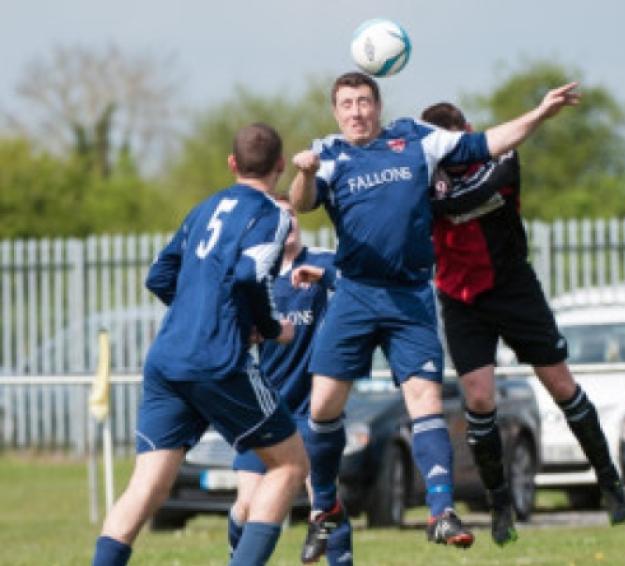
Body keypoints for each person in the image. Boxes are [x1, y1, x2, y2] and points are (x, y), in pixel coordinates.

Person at [289, 70, 579, 561]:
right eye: (347, 104)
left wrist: (539, 114)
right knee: (321, 409)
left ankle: (441, 512)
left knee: (424, 403)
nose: (357, 112)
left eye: (364, 102)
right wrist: (303, 170)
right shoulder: (330, 155)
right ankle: (325, 511)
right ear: (336, 112)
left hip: (409, 299)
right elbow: (302, 202)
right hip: (356, 296)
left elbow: (487, 143)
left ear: (378, 106)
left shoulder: (416, 139)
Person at [91, 123, 308, 566]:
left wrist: (199, 310)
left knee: (147, 484)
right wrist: (268, 328)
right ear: (281, 166)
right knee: (290, 465)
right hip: (217, 359)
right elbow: (250, 274)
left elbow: (159, 276)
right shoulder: (273, 215)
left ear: (232, 164)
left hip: (167, 357)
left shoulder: (202, 209)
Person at [420, 102, 625, 545]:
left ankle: (609, 479)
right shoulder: (425, 171)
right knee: (478, 398)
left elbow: (465, 199)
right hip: (460, 300)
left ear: (470, 133)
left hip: (514, 289)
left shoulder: (502, 158)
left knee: (560, 386)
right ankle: (500, 506)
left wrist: (432, 195)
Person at [228, 198, 353, 566]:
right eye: (276, 218)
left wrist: (326, 278)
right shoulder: (253, 272)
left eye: (291, 215)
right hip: (265, 406)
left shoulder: (323, 261)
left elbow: (361, 286)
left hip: (311, 405)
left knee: (323, 501)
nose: (287, 223)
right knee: (246, 506)